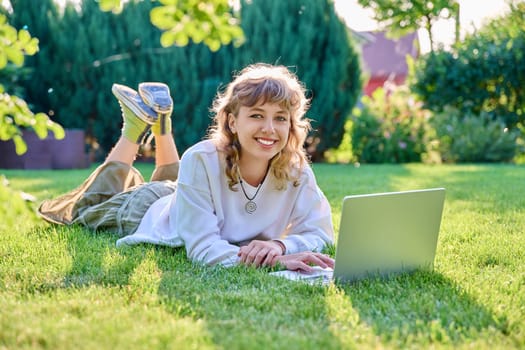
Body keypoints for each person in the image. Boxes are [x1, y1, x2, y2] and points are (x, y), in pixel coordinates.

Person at [38, 63, 335, 272]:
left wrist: (282, 246)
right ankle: (135, 128)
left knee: (179, 179)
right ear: (232, 121)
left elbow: (322, 232)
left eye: (281, 118)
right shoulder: (202, 159)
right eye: (257, 115)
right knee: (86, 208)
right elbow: (204, 249)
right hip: (145, 210)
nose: (270, 129)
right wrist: (271, 262)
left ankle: (162, 123)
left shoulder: (296, 168)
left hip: (182, 197)